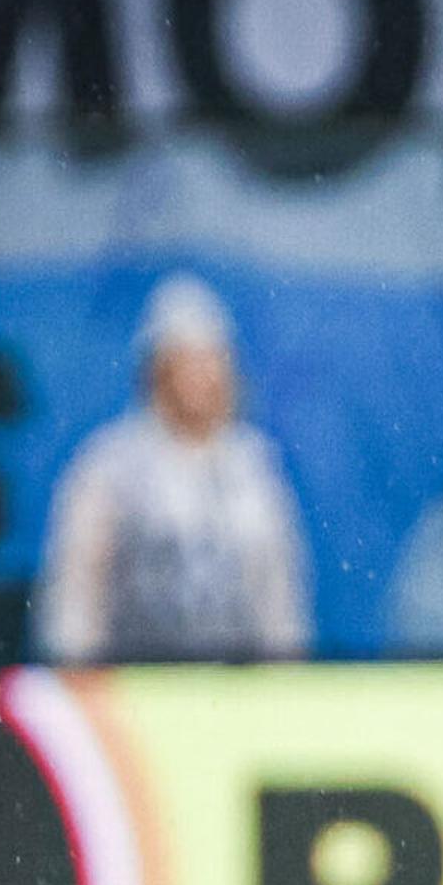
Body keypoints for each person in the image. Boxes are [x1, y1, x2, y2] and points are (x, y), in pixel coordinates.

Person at [38, 275, 313, 667]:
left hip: (237, 697)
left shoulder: (255, 469)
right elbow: (76, 600)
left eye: (213, 360)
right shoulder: (109, 467)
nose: (205, 377)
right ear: (158, 370)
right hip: (134, 692)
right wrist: (81, 682)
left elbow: (280, 602)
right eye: (190, 361)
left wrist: (287, 684)